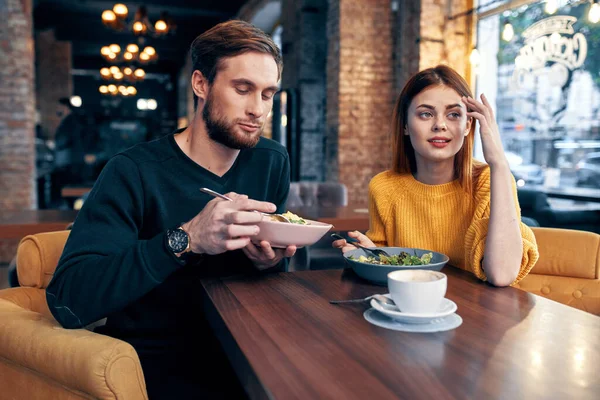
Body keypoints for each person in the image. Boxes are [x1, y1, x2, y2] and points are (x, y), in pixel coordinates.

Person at [46, 20, 296, 398]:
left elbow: (273, 279)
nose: (257, 110)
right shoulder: (133, 171)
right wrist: (187, 238)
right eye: (242, 89)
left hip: (249, 353)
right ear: (201, 84)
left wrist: (270, 263)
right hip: (158, 365)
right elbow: (69, 300)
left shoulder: (272, 161)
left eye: (267, 94)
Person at [333, 65, 539, 286]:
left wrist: (498, 162)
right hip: (412, 311)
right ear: (405, 125)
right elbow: (393, 272)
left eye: (453, 115)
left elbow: (501, 275)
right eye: (426, 114)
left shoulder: (490, 181)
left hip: (481, 315)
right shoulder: (384, 187)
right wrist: (372, 255)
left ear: (468, 126)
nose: (440, 125)